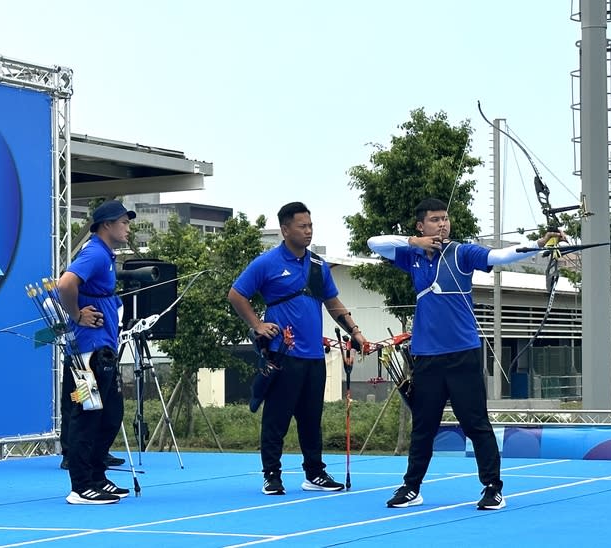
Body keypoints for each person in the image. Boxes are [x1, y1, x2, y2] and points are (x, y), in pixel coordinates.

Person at [367, 197, 561, 511]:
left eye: (445, 218)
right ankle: (411, 487)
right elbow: (374, 242)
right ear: (421, 225)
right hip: (426, 356)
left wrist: (539, 244)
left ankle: (492, 488)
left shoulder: (461, 252)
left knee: (475, 424)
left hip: (462, 354)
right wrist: (416, 242)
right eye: (434, 219)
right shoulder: (412, 256)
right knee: (423, 426)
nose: (442, 224)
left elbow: (501, 255)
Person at [228, 201, 368, 495]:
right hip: (283, 355)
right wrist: (257, 324)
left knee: (310, 419)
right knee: (276, 418)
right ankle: (272, 475)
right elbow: (236, 294)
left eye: (310, 226)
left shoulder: (318, 265)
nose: (308, 231)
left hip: (314, 356)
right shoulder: (266, 263)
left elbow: (332, 303)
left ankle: (314, 473)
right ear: (285, 229)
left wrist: (354, 331)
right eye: (302, 226)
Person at [57, 200, 135, 505]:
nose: (128, 228)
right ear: (106, 226)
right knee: (86, 414)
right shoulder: (94, 252)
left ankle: (97, 476)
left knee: (110, 413)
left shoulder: (105, 254)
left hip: (101, 351)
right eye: (123, 223)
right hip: (84, 355)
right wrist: (77, 315)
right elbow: (66, 284)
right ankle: (81, 485)